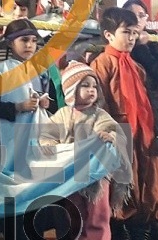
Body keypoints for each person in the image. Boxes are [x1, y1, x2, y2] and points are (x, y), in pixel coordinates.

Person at [91, 7, 158, 239]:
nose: (132, 38)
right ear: (108, 35)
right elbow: (98, 105)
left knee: (146, 188)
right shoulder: (102, 64)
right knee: (121, 193)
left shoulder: (137, 67)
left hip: (143, 136)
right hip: (119, 136)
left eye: (134, 32)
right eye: (126, 32)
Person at [0, 18, 56, 240]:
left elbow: (54, 105)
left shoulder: (42, 72)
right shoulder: (0, 72)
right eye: (24, 40)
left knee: (36, 195)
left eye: (33, 41)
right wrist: (17, 107)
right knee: (14, 198)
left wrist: (46, 103)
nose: (30, 45)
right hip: (9, 145)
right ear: (10, 43)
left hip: (36, 144)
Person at [39, 60, 124, 240]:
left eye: (94, 86)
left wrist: (110, 136)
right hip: (71, 176)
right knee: (73, 214)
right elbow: (46, 138)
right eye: (85, 85)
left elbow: (113, 130)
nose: (91, 90)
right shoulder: (62, 115)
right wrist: (53, 149)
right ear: (71, 90)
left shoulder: (100, 114)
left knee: (98, 214)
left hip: (97, 178)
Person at [122, 0, 158, 240]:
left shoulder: (156, 44)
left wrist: (143, 47)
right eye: (132, 16)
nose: (138, 21)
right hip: (127, 119)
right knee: (132, 176)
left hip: (155, 113)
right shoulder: (117, 47)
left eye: (142, 15)